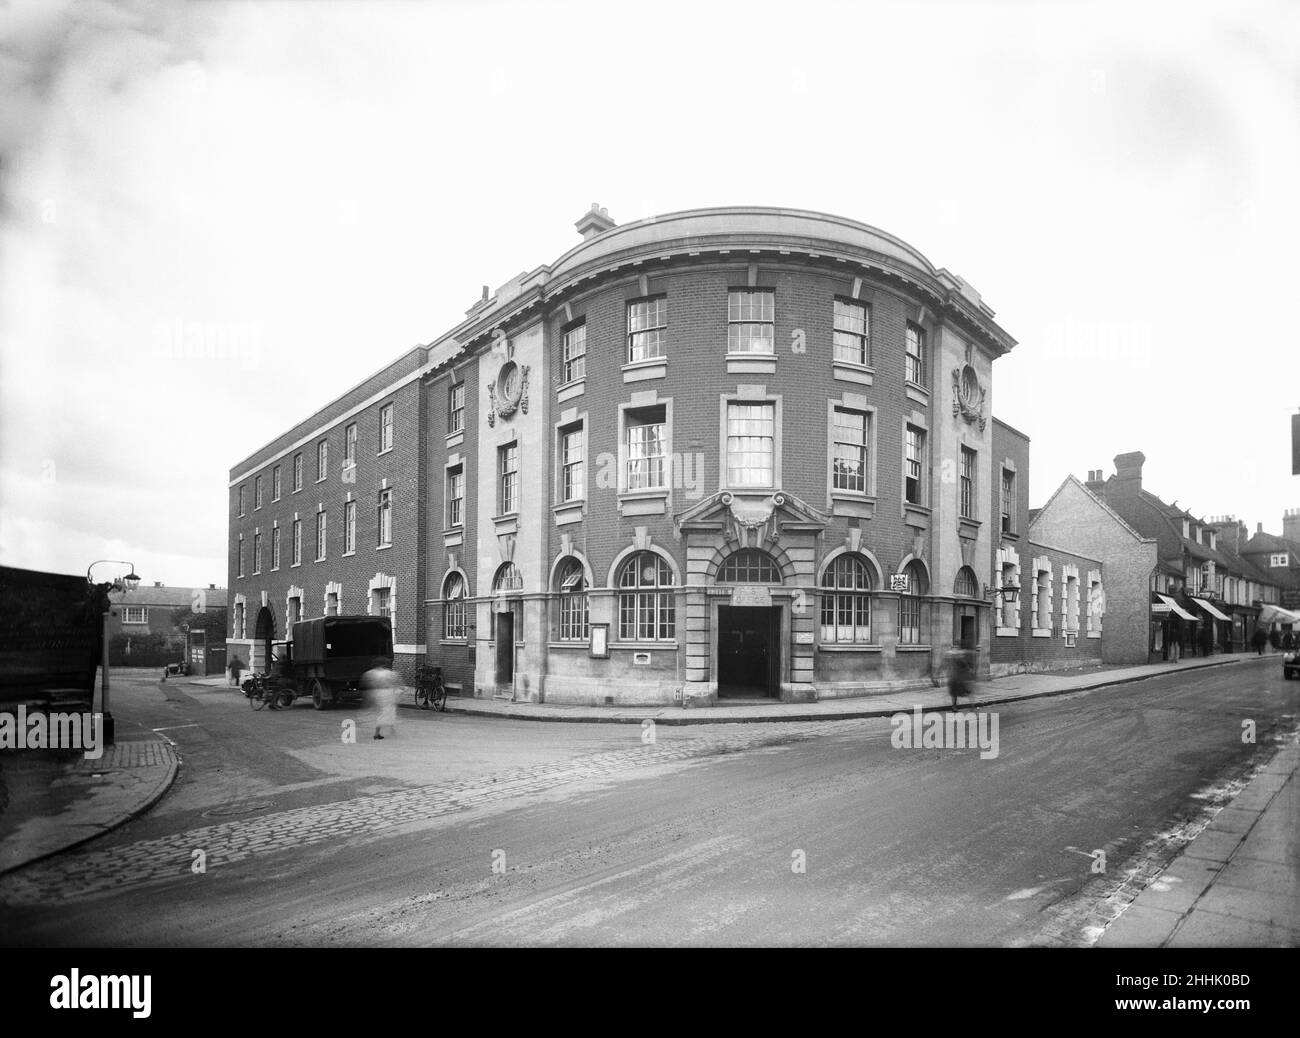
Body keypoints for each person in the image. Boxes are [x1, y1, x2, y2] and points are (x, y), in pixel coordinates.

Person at [363, 656, 400, 740]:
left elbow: (368, 683)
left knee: (381, 712)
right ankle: (389, 729)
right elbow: (395, 682)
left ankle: (381, 731)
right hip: (387, 693)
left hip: (376, 693)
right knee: (388, 711)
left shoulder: (371, 673)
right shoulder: (389, 673)